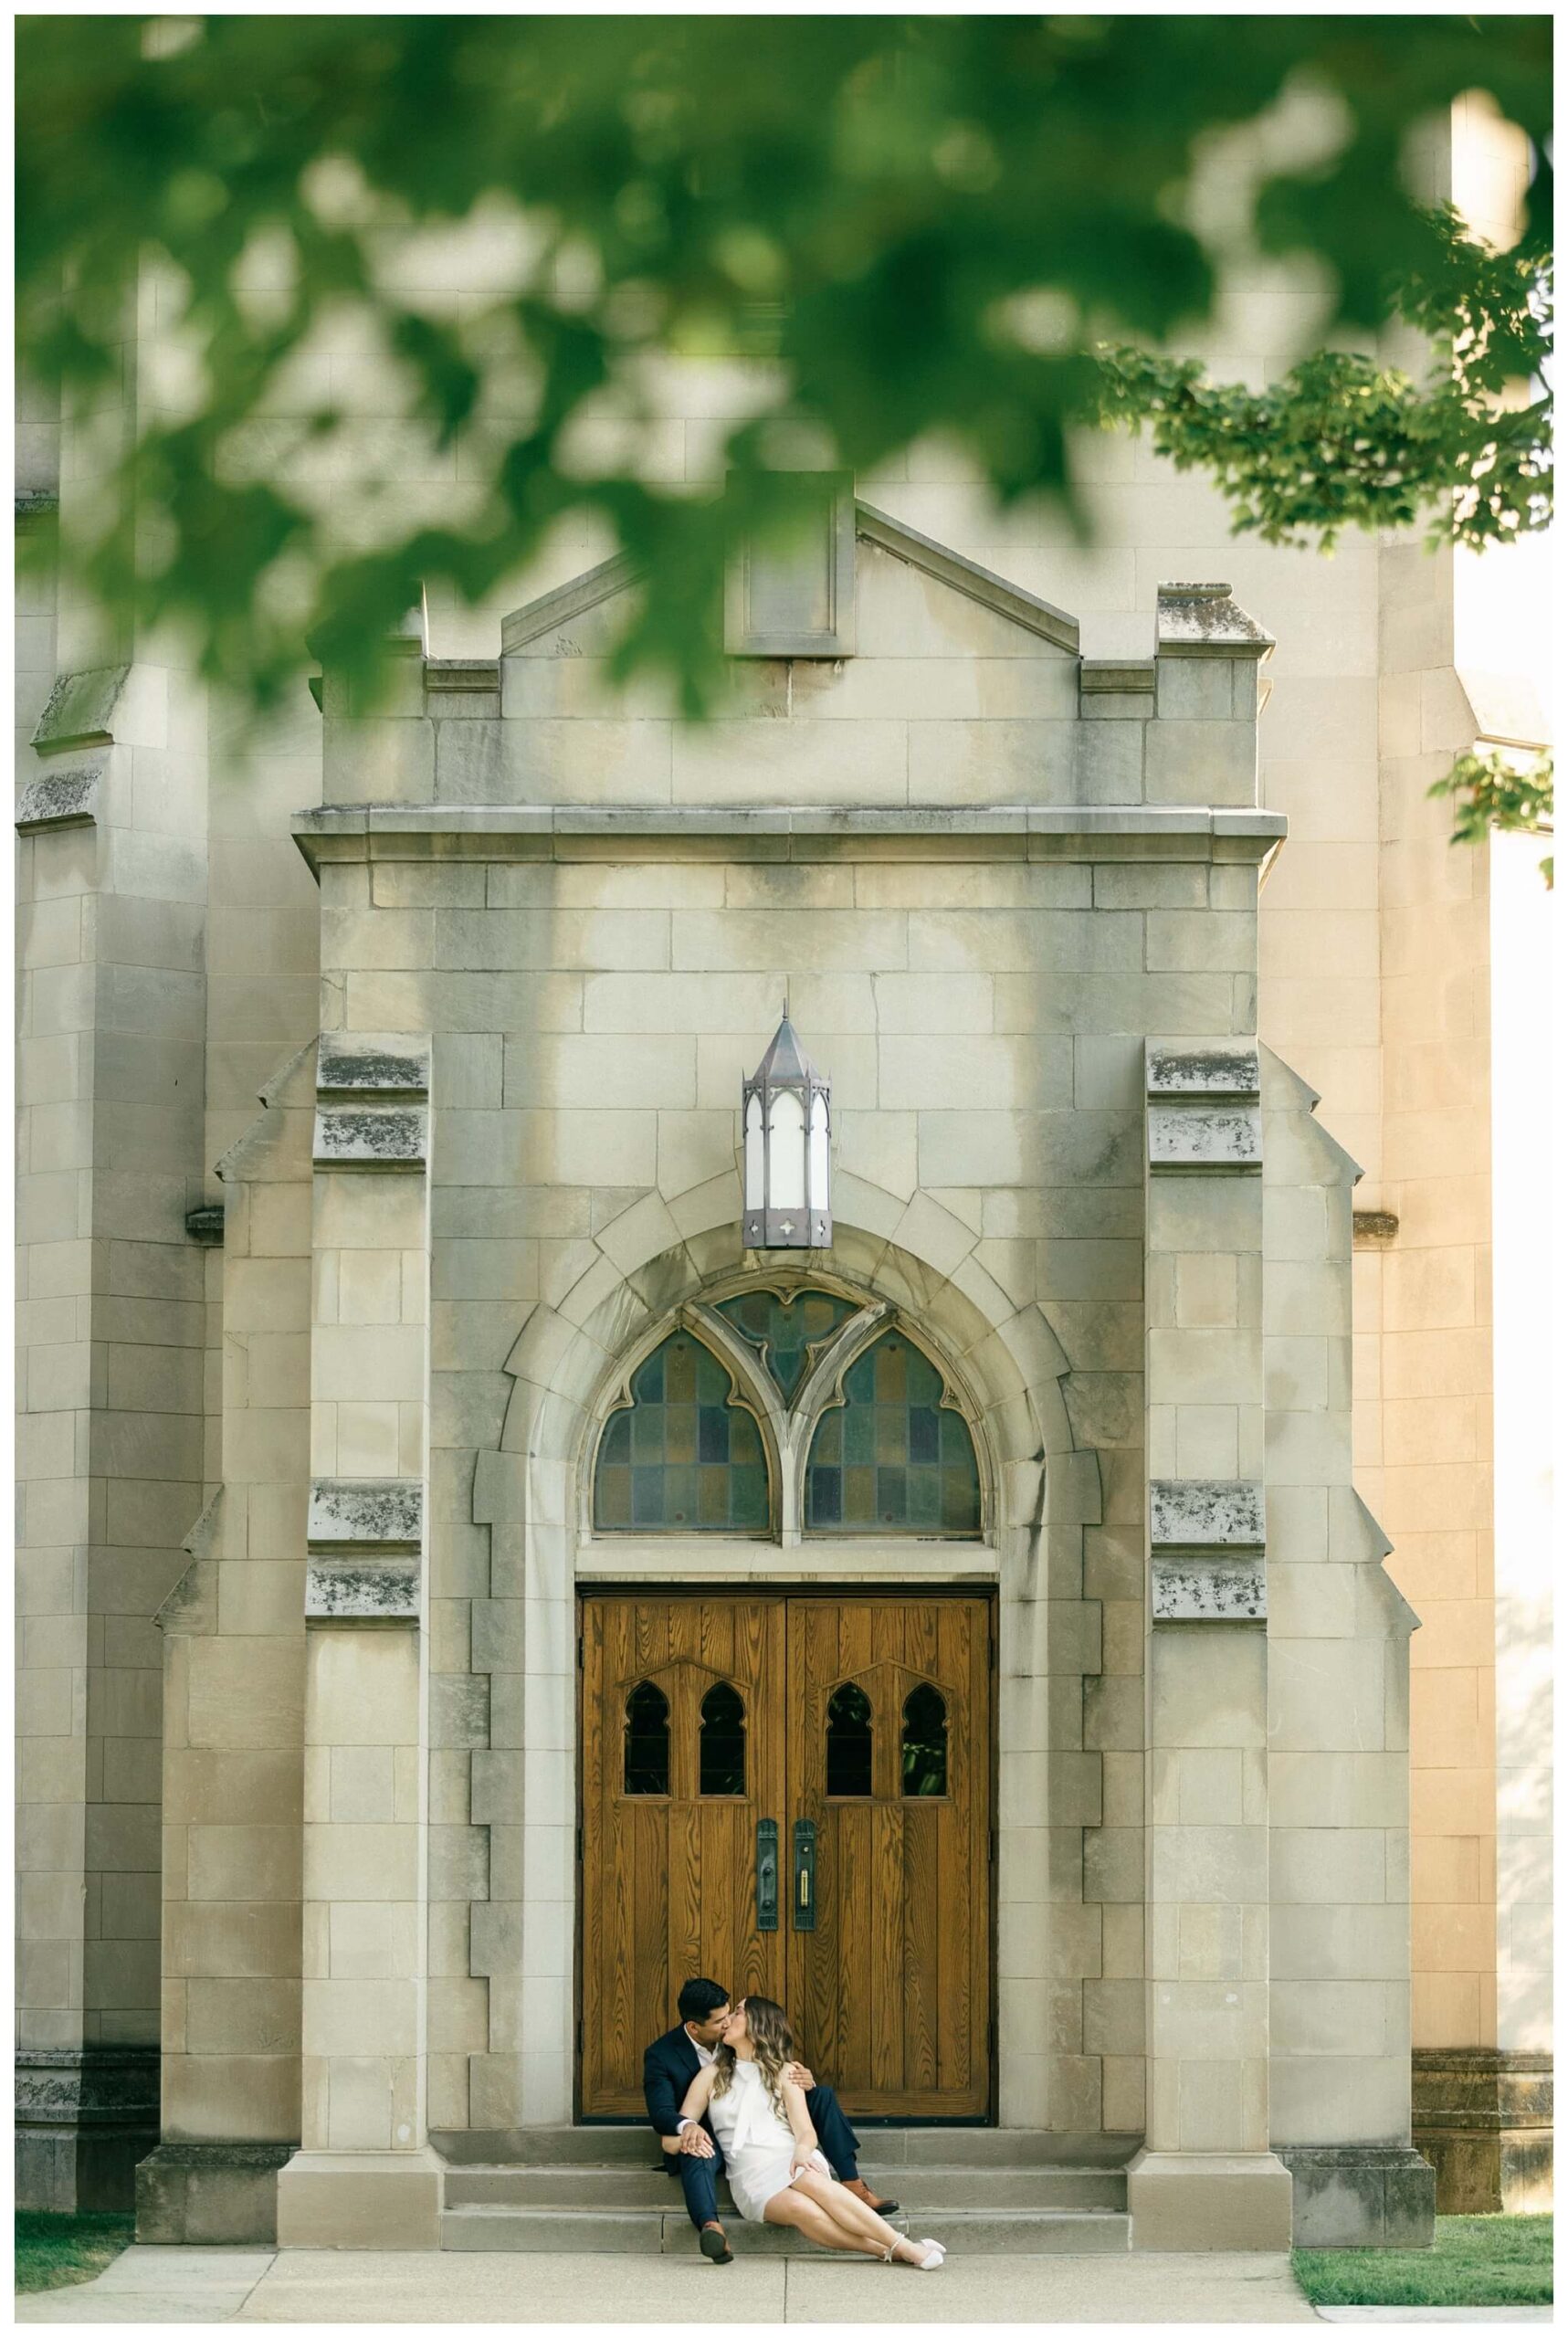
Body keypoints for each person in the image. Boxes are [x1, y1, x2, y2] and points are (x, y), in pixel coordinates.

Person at [642, 1976, 900, 2265]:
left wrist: (803, 2085)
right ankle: (710, 2227)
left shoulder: (744, 2044)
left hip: (764, 2120)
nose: (727, 2023)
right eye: (719, 2022)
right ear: (694, 2027)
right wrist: (687, 2128)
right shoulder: (662, 2056)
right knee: (696, 2148)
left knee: (822, 2095)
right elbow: (663, 2113)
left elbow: (765, 2066)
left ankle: (853, 2184)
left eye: (731, 2015)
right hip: (712, 2131)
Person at [681, 1996, 946, 2268]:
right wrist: (688, 2130)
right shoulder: (711, 2075)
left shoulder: (785, 2072)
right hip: (749, 2176)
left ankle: (899, 2247)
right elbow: (676, 2132)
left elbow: (806, 2131)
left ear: (758, 2025)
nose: (728, 2020)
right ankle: (898, 2249)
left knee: (806, 2178)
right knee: (800, 2209)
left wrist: (802, 2151)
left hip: (791, 2158)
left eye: (738, 2012)